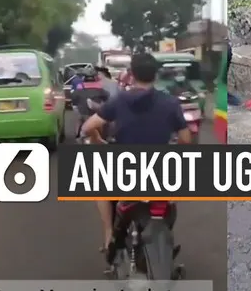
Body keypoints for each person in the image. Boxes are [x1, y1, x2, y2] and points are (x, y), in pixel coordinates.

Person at [80, 53, 192, 264]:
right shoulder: (170, 103)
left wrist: (97, 142)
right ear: (156, 75)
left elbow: (88, 127)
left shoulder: (119, 100)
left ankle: (108, 236)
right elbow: (185, 139)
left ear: (131, 75)